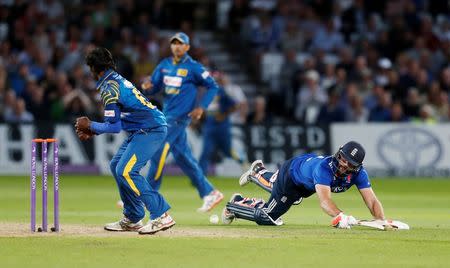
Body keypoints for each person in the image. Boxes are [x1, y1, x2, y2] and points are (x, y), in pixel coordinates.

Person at [75, 47, 175, 235]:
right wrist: (94, 130)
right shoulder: (115, 80)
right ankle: (133, 217)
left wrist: (91, 124)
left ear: (94, 69)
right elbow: (117, 120)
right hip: (141, 130)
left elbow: (114, 127)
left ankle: (161, 215)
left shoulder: (108, 87)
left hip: (151, 129)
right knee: (116, 167)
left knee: (127, 170)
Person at [141, 32, 223, 212]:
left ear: (187, 47)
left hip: (179, 118)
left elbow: (212, 86)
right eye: (174, 43)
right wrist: (147, 87)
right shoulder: (164, 65)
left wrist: (201, 107)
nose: (177, 46)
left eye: (181, 44)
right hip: (166, 116)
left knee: (158, 153)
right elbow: (154, 87)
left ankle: (146, 198)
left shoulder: (193, 67)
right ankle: (210, 193)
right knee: (183, 157)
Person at [222, 141, 386, 228]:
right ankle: (234, 204)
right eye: (343, 159)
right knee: (268, 217)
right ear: (339, 154)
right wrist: (341, 215)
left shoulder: (359, 174)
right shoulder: (324, 169)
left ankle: (258, 171)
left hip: (305, 182)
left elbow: (371, 200)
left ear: (357, 167)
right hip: (292, 176)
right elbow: (325, 202)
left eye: (349, 163)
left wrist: (381, 220)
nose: (344, 164)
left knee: (281, 193)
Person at [198, 71, 246, 175]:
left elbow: (235, 105)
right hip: (210, 126)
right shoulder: (207, 92)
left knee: (228, 151)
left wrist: (224, 115)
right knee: (206, 151)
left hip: (222, 127)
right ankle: (200, 177)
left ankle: (244, 163)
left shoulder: (221, 91)